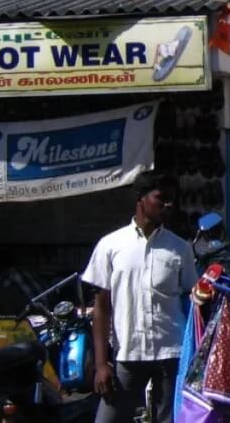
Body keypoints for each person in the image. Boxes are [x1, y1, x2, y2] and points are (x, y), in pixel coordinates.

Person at [82, 171, 197, 423]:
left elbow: (193, 300)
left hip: (171, 353)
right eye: (161, 198)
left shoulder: (180, 248)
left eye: (171, 200)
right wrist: (102, 364)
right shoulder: (111, 246)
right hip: (129, 354)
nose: (168, 205)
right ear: (140, 198)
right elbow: (101, 307)